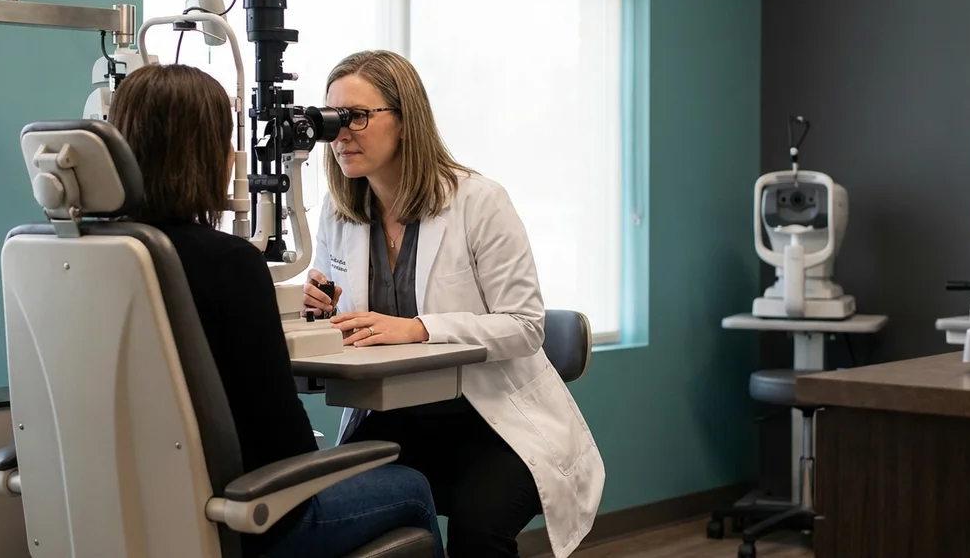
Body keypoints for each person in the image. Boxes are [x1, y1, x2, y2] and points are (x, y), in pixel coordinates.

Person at [107, 63, 444, 558]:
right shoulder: (227, 262)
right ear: (210, 155)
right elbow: (284, 447)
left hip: (128, 506)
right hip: (239, 515)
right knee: (411, 484)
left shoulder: (80, 257)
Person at [302, 50, 605, 558]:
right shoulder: (342, 211)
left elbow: (526, 326)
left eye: (356, 116)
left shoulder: (478, 201)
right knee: (333, 512)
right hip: (396, 409)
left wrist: (420, 329)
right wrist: (321, 309)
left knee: (478, 528)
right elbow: (348, 319)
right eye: (331, 120)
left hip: (490, 418)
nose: (340, 133)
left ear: (405, 120)